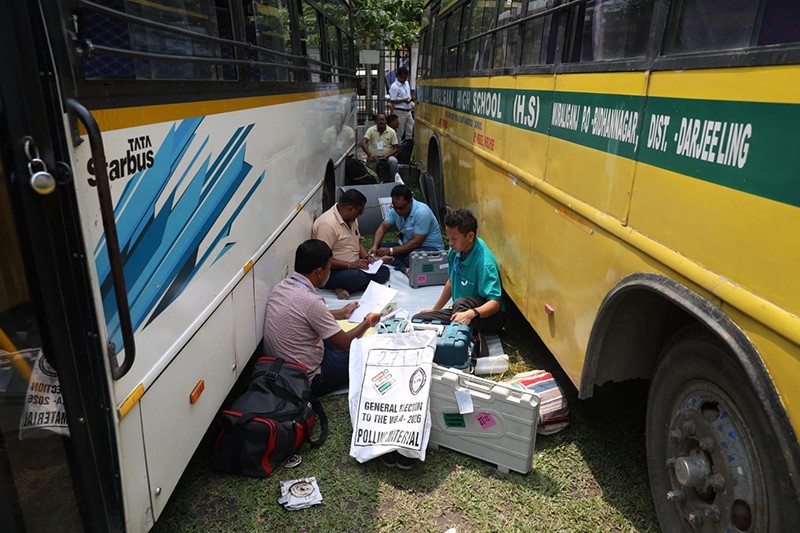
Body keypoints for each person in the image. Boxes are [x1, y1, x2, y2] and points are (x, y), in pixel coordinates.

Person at [263, 239, 383, 396]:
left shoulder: (282, 287)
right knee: (361, 354)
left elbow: (304, 316)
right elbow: (345, 344)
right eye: (329, 268)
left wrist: (341, 313)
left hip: (280, 367)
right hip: (307, 378)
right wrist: (368, 322)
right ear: (319, 272)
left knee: (333, 340)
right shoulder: (312, 301)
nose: (330, 272)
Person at [413, 209, 504, 333]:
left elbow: (494, 304)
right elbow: (451, 281)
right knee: (419, 319)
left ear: (470, 236)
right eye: (448, 237)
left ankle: (467, 343)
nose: (450, 243)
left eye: (454, 238)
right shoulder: (456, 250)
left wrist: (471, 314)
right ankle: (458, 331)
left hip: (485, 315)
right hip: (460, 309)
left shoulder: (485, 264)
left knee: (461, 304)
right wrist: (435, 310)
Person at [312, 188, 390, 299]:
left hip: (355, 267)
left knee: (384, 271)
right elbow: (323, 260)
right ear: (350, 208)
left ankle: (343, 286)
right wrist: (351, 265)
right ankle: (340, 285)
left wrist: (367, 257)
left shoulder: (351, 219)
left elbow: (357, 242)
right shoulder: (327, 224)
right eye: (360, 212)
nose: (360, 215)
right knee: (357, 277)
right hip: (333, 271)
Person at [369, 184, 444, 274]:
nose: (398, 211)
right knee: (380, 249)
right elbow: (382, 228)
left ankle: (399, 265)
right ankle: (404, 268)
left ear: (410, 201)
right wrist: (375, 246)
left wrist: (391, 251)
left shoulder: (422, 212)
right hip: (408, 247)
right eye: (395, 207)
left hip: (429, 249)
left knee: (413, 258)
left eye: (401, 208)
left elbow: (416, 242)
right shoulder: (395, 211)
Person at [360, 113, 399, 182]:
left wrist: (388, 155)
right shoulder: (371, 130)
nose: (381, 121)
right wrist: (370, 154)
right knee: (372, 162)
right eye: (379, 120)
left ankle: (393, 181)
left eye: (383, 120)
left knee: (394, 161)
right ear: (375, 121)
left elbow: (396, 148)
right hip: (374, 156)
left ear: (386, 121)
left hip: (387, 156)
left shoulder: (391, 131)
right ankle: (374, 181)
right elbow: (363, 143)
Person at [389, 66, 414, 141]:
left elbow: (408, 95)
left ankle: (407, 147)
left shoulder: (406, 83)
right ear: (398, 76)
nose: (404, 79)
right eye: (403, 77)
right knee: (400, 131)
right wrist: (403, 100)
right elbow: (392, 100)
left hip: (408, 110)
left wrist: (411, 100)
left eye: (406, 77)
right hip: (400, 111)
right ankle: (398, 148)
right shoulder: (394, 87)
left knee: (410, 130)